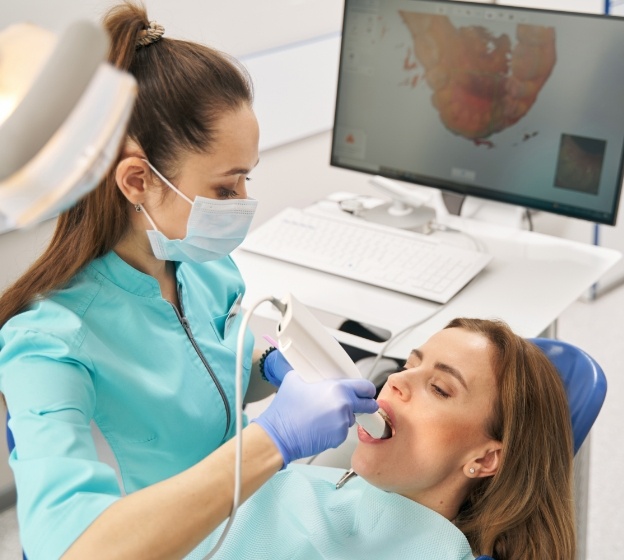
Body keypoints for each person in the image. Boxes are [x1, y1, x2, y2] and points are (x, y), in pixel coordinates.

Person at [0, 2, 378, 559]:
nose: (244, 204)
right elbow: (72, 550)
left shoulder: (202, 266)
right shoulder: (49, 346)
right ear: (137, 182)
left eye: (246, 179)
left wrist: (270, 369)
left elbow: (199, 379)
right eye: (226, 189)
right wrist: (273, 440)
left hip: (244, 528)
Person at [208, 317, 575, 560]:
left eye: (439, 388)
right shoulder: (310, 485)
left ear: (484, 459)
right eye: (409, 365)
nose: (396, 381)